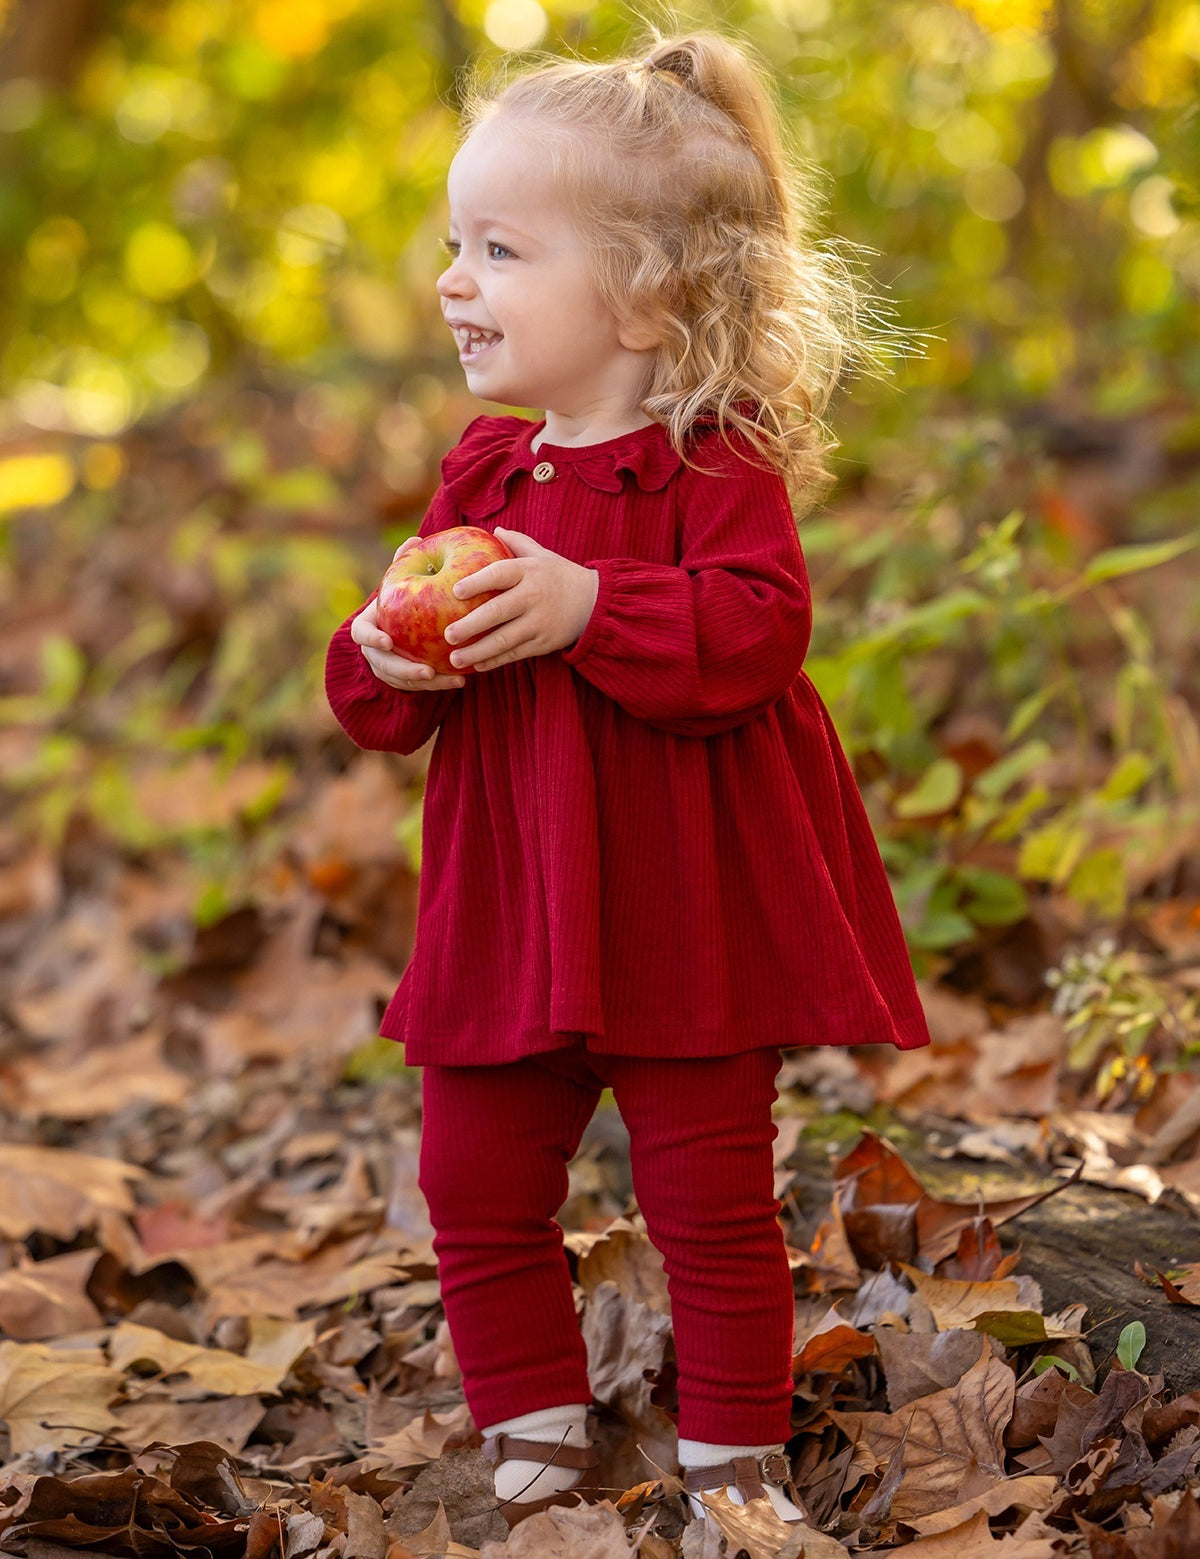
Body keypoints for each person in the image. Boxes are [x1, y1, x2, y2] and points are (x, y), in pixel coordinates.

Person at [325, 28, 930, 1532]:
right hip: (514, 905)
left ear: (652, 292)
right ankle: (532, 1420)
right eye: (455, 244)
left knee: (708, 1197)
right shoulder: (484, 480)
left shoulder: (715, 466)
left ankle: (734, 1450)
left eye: (501, 249)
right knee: (473, 1179)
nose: (454, 279)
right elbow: (376, 686)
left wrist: (593, 606)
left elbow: (759, 633)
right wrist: (386, 657)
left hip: (685, 912)